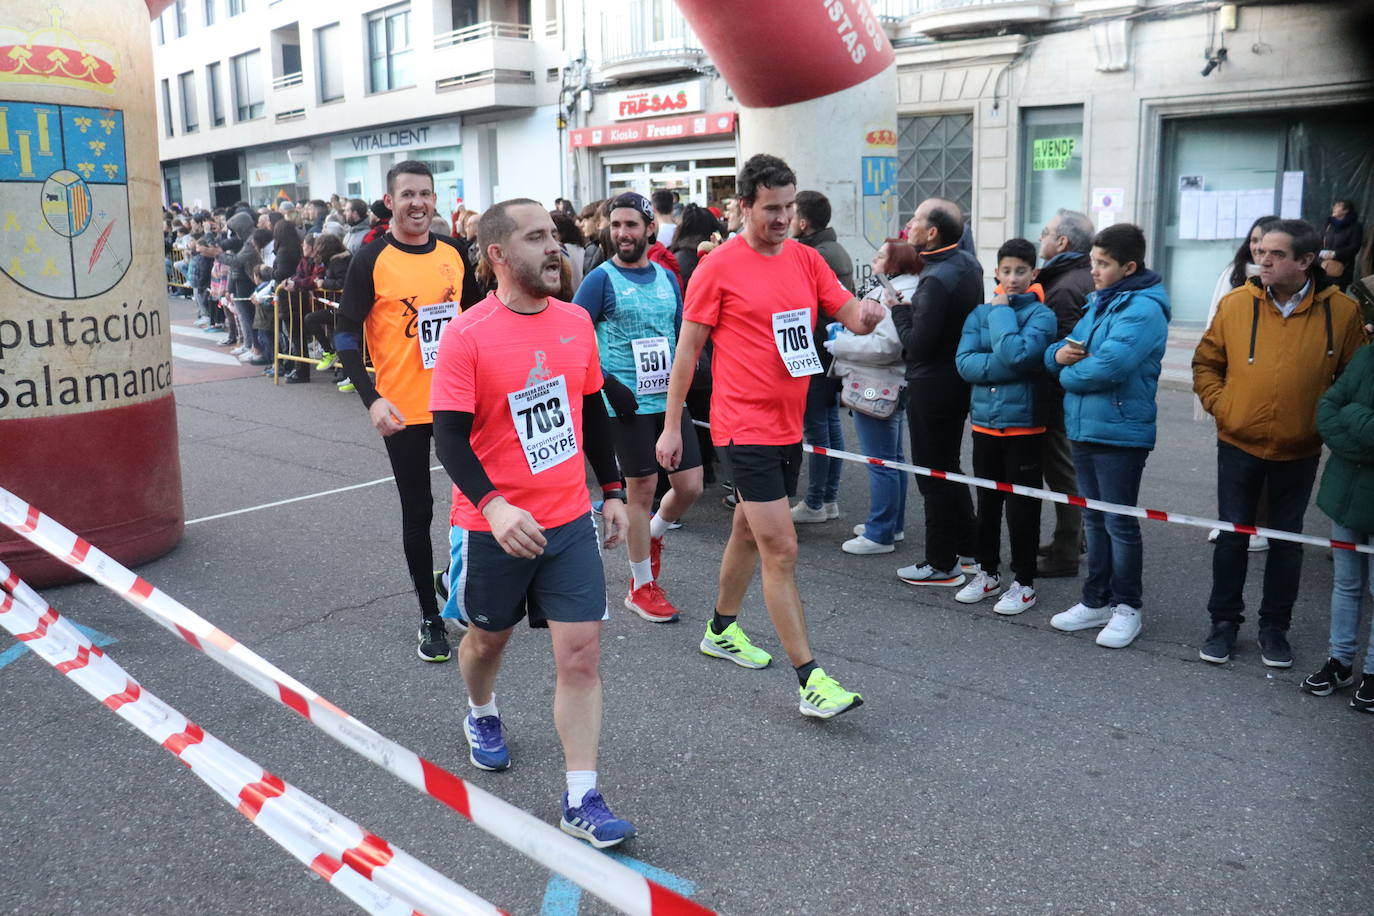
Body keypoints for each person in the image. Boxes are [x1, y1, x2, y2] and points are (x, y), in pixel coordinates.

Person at [429, 198, 637, 848]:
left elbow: (591, 408)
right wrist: (493, 505)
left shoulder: (576, 322)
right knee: (488, 642)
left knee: (580, 655)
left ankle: (583, 797)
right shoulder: (467, 333)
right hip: (493, 525)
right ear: (496, 255)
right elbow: (451, 441)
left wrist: (610, 489)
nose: (555, 247)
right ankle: (481, 711)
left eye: (555, 234)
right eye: (536, 237)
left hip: (568, 518)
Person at [655, 153, 885, 719]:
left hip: (789, 424)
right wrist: (671, 425)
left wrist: (870, 313)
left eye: (789, 207)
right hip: (743, 426)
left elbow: (848, 312)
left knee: (747, 532)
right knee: (781, 547)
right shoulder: (718, 267)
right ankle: (810, 679)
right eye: (771, 209)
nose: (783, 218)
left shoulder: (806, 260)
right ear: (744, 206)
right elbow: (687, 351)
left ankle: (720, 629)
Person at [1192, 218, 1366, 667]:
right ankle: (1223, 624)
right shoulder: (1235, 304)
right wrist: (1224, 406)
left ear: (1306, 261)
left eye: (1276, 254)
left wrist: (1321, 425)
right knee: (1232, 539)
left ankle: (1275, 629)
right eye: (1260, 251)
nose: (1262, 260)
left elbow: (1352, 383)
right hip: (1238, 442)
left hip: (1300, 450)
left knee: (1286, 544)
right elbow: (1206, 362)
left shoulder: (1342, 312)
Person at [335, 160, 481, 663]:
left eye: (426, 193)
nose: (418, 203)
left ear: (435, 199)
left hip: (459, 403)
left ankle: (457, 582)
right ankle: (428, 614)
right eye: (408, 194)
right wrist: (371, 398)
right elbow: (344, 334)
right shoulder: (372, 258)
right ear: (390, 201)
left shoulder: (455, 252)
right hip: (403, 412)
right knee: (419, 512)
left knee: (481, 502)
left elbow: (480, 320)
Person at [572, 192, 703, 622]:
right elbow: (572, 335)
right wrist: (607, 383)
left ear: (650, 228)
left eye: (631, 225)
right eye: (616, 225)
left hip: (668, 400)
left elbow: (682, 334)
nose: (622, 233)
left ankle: (653, 535)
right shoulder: (601, 279)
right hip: (624, 406)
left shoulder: (668, 277)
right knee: (642, 492)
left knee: (689, 487)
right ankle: (640, 586)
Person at [1045, 224, 1170, 650]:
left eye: (1102, 264)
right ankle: (1095, 599)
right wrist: (1058, 356)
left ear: (1129, 267)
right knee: (1094, 518)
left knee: (1118, 521)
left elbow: (1111, 366)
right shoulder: (1102, 300)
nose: (1093, 270)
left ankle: (1127, 607)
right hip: (1085, 425)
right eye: (1093, 261)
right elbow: (1063, 346)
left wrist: (1063, 371)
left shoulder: (1144, 308)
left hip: (1119, 431)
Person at [952, 238, 1057, 613]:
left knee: (1022, 507)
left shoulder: (1041, 316)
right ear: (996, 271)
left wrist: (1001, 315)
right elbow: (965, 363)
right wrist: (1009, 363)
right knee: (989, 502)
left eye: (1021, 271)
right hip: (984, 423)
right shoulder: (977, 313)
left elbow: (1019, 354)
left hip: (1024, 427)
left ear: (1034, 274)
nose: (1012, 279)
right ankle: (987, 571)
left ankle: (1025, 582)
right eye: (1006, 271)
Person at [892, 198, 982, 587]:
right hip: (955, 380)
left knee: (932, 474)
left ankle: (940, 562)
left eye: (915, 219)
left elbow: (917, 344)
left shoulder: (935, 276)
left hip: (931, 383)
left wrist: (898, 309)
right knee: (948, 468)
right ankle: (970, 549)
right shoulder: (968, 264)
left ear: (932, 233)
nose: (908, 224)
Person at [827, 239, 918, 555]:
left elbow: (885, 346)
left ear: (896, 261)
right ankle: (892, 524)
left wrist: (840, 345)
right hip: (893, 383)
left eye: (881, 255)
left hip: (877, 383)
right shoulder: (907, 286)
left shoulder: (894, 291)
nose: (875, 259)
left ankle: (880, 533)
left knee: (880, 461)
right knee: (893, 460)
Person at [1302, 343, 1374, 709]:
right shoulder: (1365, 356)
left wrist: (1353, 415)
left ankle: (1373, 673)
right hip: (1344, 493)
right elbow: (1328, 408)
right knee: (1346, 585)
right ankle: (1339, 662)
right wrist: (1361, 436)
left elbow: (1342, 411)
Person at [1034, 208, 1096, 578]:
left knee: (1062, 474)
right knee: (1066, 471)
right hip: (1064, 396)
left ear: (1062, 242)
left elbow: (1063, 349)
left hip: (1057, 397)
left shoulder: (1066, 285)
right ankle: (1069, 539)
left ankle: (1067, 552)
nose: (1040, 237)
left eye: (1045, 231)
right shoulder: (1074, 276)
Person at [790, 190, 854, 525]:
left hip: (816, 346)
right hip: (831, 346)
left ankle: (816, 501)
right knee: (829, 423)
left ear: (803, 220)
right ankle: (827, 500)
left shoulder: (813, 254)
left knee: (817, 427)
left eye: (790, 210)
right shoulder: (834, 248)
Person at [1321, 199, 1363, 291]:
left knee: (1337, 299)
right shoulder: (1329, 224)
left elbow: (1355, 247)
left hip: (1342, 270)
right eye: (1334, 206)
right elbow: (1320, 240)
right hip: (1324, 268)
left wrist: (1335, 254)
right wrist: (1320, 254)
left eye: (1338, 206)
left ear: (1346, 210)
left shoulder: (1355, 227)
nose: (1334, 208)